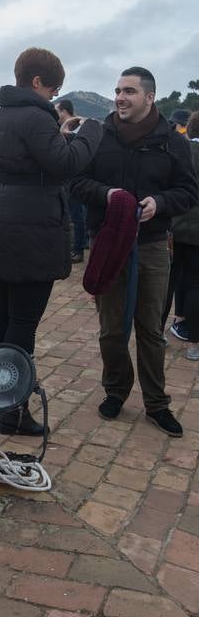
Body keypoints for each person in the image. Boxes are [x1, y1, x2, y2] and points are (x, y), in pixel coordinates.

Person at [0, 48, 103, 436]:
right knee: (23, 322)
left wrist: (60, 137)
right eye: (53, 88)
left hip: (2, 218)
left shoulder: (4, 116)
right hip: (31, 223)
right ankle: (12, 410)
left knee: (1, 313)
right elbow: (64, 165)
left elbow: (34, 156)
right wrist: (91, 132)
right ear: (37, 82)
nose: (54, 95)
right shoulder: (35, 115)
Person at [71, 67, 198, 437]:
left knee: (150, 330)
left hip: (153, 244)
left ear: (149, 97)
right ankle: (116, 390)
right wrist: (108, 196)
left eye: (128, 91)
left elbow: (189, 191)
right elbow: (77, 182)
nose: (120, 97)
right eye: (117, 90)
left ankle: (157, 404)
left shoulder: (172, 141)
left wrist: (159, 203)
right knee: (112, 328)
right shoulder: (99, 134)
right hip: (108, 242)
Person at [168, 112, 199, 360]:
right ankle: (194, 342)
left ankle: (156, 333)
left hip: (177, 225)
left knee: (168, 280)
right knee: (195, 282)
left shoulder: (183, 151)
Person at [56, 99, 88, 263]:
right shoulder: (74, 126)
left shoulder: (79, 126)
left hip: (77, 179)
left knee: (77, 216)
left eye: (57, 111)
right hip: (67, 180)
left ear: (63, 111)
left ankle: (78, 250)